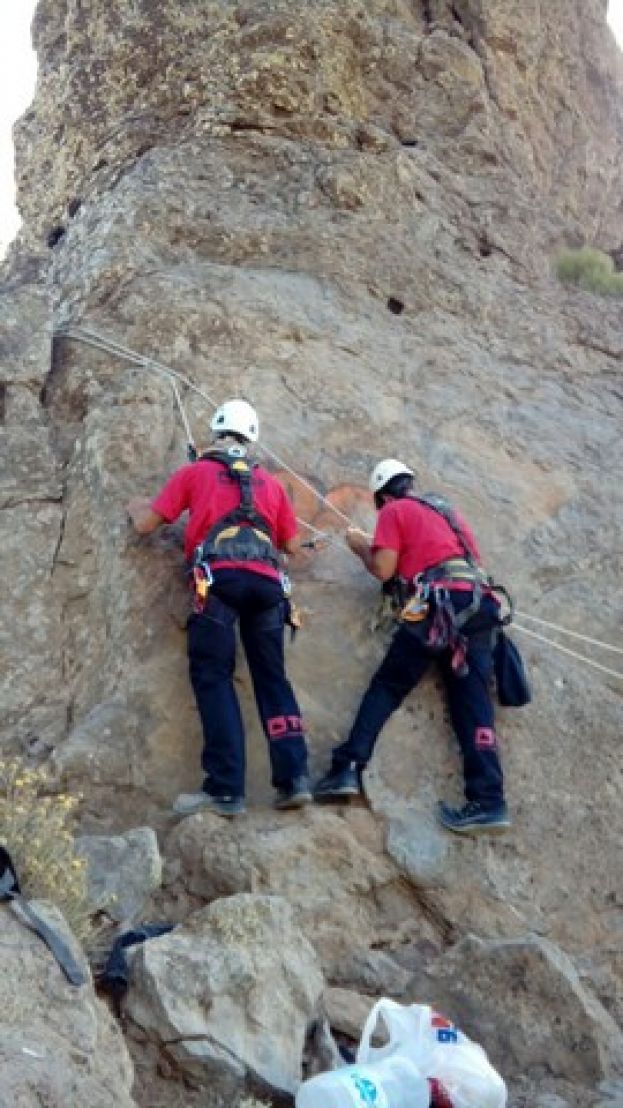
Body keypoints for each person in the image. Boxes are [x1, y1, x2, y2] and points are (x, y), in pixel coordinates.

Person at [127, 398, 311, 818]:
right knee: (272, 680)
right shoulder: (270, 484)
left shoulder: (195, 472)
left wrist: (136, 505)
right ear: (252, 438)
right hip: (268, 586)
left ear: (216, 433)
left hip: (219, 582)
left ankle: (226, 789)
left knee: (213, 676)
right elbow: (293, 547)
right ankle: (295, 778)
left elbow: (146, 525)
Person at [314, 459, 510, 834]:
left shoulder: (395, 509)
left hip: (438, 604)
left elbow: (384, 569)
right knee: (473, 702)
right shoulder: (448, 513)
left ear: (382, 495)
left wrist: (359, 546)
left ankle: (347, 768)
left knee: (388, 686)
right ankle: (489, 800)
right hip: (479, 605)